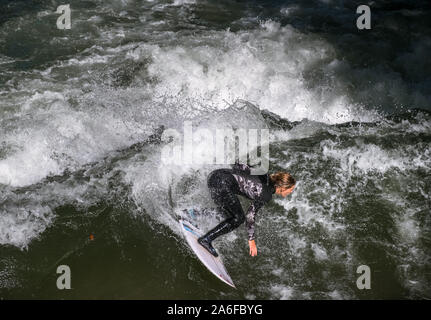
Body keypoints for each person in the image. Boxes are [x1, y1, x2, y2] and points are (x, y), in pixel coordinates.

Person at [198, 163, 295, 257]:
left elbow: (240, 165)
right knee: (239, 218)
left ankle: (195, 214)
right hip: (222, 184)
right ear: (283, 187)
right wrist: (251, 240)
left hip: (214, 176)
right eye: (290, 189)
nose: (290, 192)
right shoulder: (266, 194)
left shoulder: (262, 174)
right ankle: (206, 239)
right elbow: (250, 214)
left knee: (228, 212)